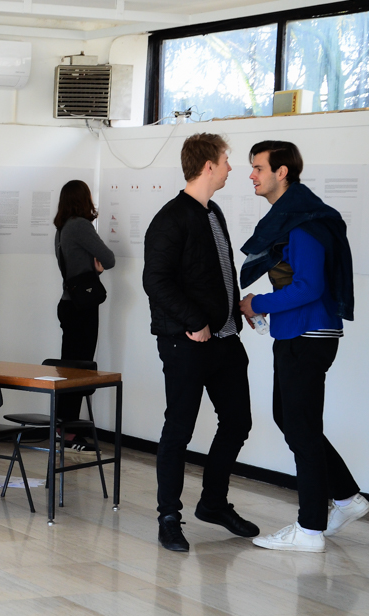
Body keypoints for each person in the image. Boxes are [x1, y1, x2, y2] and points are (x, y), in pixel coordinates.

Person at [239, 141, 365, 553]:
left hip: (307, 335)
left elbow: (309, 287)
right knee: (292, 419)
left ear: (282, 172)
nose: (252, 175)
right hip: (301, 333)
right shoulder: (297, 215)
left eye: (259, 168)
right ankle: (346, 497)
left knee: (301, 428)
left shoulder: (303, 221)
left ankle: (310, 529)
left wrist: (258, 303)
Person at [142, 132, 259, 552]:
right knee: (179, 430)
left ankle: (213, 503)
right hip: (186, 342)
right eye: (226, 160)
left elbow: (216, 274)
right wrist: (194, 321)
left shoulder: (214, 212)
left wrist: (235, 313)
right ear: (208, 166)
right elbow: (155, 280)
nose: (231, 167)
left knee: (238, 422)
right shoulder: (171, 217)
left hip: (224, 339)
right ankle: (169, 518)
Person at [53, 180, 115, 450]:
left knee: (69, 368)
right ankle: (68, 432)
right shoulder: (80, 225)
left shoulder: (61, 229)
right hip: (82, 307)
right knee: (79, 369)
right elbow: (109, 259)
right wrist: (96, 268)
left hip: (68, 304)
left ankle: (63, 427)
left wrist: (91, 266)